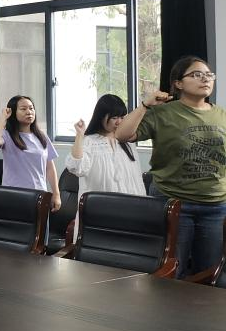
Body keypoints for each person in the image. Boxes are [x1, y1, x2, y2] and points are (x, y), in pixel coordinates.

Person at [117, 56, 226, 278]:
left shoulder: (221, 115)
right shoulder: (162, 112)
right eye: (197, 74)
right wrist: (145, 105)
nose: (205, 79)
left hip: (215, 205)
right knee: (171, 272)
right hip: (173, 202)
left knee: (210, 274)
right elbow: (122, 134)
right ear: (178, 83)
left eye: (209, 75)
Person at [67, 94, 145, 234]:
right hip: (99, 211)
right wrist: (79, 135)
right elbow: (77, 167)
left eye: (122, 117)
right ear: (101, 116)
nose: (119, 122)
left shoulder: (127, 142)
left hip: (129, 211)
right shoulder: (89, 142)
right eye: (114, 117)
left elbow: (136, 180)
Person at [0, 95, 62, 211]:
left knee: (40, 223)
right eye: (23, 109)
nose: (29, 112)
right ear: (13, 112)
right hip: (14, 195)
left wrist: (56, 194)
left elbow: (50, 168)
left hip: (39, 195)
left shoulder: (41, 136)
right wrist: (3, 118)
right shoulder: (6, 135)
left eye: (31, 108)